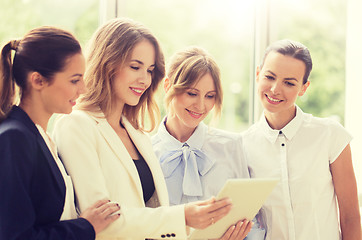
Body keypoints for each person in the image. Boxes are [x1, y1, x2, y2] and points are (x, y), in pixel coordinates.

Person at [52, 18, 232, 240]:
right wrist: (183, 216)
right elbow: (100, 222)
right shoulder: (76, 125)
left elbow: (153, 216)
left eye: (150, 70)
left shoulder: (137, 134)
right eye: (135, 67)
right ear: (107, 64)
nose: (144, 79)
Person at [0, 26, 120, 240]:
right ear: (38, 80)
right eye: (74, 80)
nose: (83, 88)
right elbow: (15, 236)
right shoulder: (14, 138)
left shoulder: (41, 136)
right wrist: (86, 226)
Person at [242, 39, 361, 240]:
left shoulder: (330, 135)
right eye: (269, 77)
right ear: (257, 74)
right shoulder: (243, 145)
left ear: (304, 88)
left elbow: (350, 217)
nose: (275, 89)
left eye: (289, 83)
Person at [151, 46, 265, 240]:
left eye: (210, 96)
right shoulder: (146, 152)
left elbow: (252, 222)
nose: (201, 106)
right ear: (168, 86)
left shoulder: (231, 146)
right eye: (192, 93)